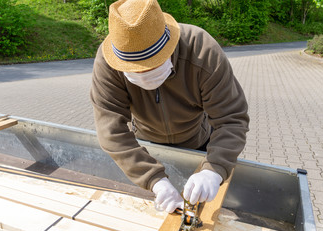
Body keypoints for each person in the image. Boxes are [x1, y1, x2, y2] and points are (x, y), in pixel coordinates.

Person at [90, 0, 249, 213]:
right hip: (147, 146)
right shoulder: (108, 62)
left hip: (198, 142)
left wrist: (213, 169)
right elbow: (111, 132)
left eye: (152, 64)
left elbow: (231, 118)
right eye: (133, 69)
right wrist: (154, 180)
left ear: (170, 45)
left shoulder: (202, 50)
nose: (143, 75)